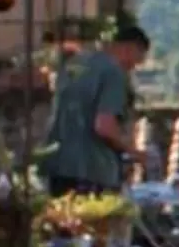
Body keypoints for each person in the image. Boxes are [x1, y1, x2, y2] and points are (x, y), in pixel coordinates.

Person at [42, 19, 148, 196]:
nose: (130, 69)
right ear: (128, 48)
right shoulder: (113, 72)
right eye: (133, 63)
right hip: (93, 170)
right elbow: (104, 126)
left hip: (58, 165)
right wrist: (133, 152)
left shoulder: (75, 63)